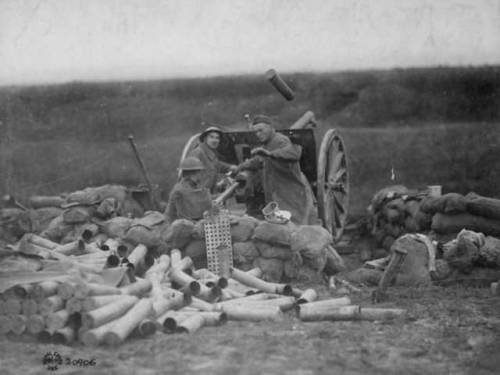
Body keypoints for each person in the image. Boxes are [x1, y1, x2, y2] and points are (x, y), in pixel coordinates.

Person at [238, 115, 319, 225]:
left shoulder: (281, 140)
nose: (258, 134)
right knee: (281, 227)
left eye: (261, 130)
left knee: (295, 224)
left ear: (271, 127)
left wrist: (271, 154)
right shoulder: (267, 144)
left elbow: (294, 153)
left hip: (290, 191)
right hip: (277, 192)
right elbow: (259, 160)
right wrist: (241, 167)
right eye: (256, 132)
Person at [188, 126, 237, 193]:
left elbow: (216, 164)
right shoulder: (197, 153)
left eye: (217, 138)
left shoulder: (212, 153)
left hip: (209, 193)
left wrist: (230, 167)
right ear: (205, 138)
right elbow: (188, 178)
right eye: (211, 137)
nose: (215, 140)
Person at [164, 156, 212, 224]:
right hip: (176, 226)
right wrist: (200, 223)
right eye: (199, 171)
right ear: (192, 174)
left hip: (189, 223)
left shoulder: (195, 186)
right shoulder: (179, 190)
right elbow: (182, 217)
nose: (201, 174)